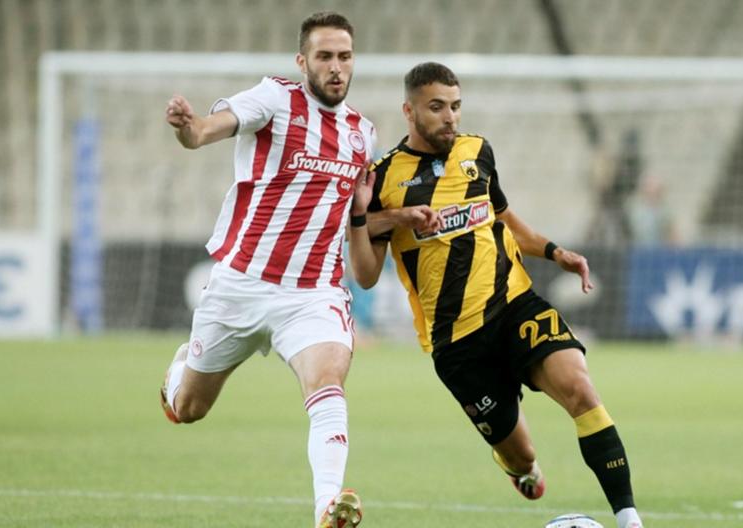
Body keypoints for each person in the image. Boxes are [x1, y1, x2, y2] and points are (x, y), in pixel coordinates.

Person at [347, 62, 645, 528]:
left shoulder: (477, 151)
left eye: (455, 106)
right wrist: (367, 217)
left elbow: (503, 218)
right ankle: (517, 467)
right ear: (409, 111)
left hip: (514, 305)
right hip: (457, 342)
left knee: (581, 390)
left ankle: (629, 519)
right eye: (437, 107)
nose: (450, 116)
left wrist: (555, 251)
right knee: (522, 455)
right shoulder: (383, 177)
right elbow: (366, 275)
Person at [159, 12, 417, 528]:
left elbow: (348, 217)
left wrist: (397, 217)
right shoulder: (274, 99)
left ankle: (328, 506)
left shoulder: (362, 135)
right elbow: (208, 130)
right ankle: (179, 372)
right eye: (324, 56)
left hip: (313, 292)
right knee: (189, 408)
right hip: (241, 284)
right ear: (303, 61)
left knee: (327, 380)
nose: (336, 66)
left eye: (345, 56)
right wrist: (191, 128)